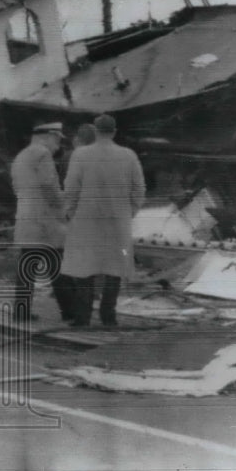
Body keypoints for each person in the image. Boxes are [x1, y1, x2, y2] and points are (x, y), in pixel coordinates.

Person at [62, 114, 146, 328]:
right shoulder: (128, 155)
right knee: (115, 269)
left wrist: (70, 212)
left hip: (86, 219)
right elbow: (139, 189)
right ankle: (108, 316)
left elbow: (71, 188)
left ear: (96, 131)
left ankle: (83, 318)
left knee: (84, 268)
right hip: (118, 220)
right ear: (114, 131)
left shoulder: (80, 154)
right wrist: (131, 211)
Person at [10, 121, 74, 322]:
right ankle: (71, 313)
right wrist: (64, 207)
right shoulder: (43, 154)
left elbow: (16, 188)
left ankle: (20, 312)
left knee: (27, 267)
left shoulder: (20, 157)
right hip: (45, 221)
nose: (58, 146)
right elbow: (49, 186)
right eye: (57, 140)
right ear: (49, 136)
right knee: (58, 265)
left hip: (26, 219)